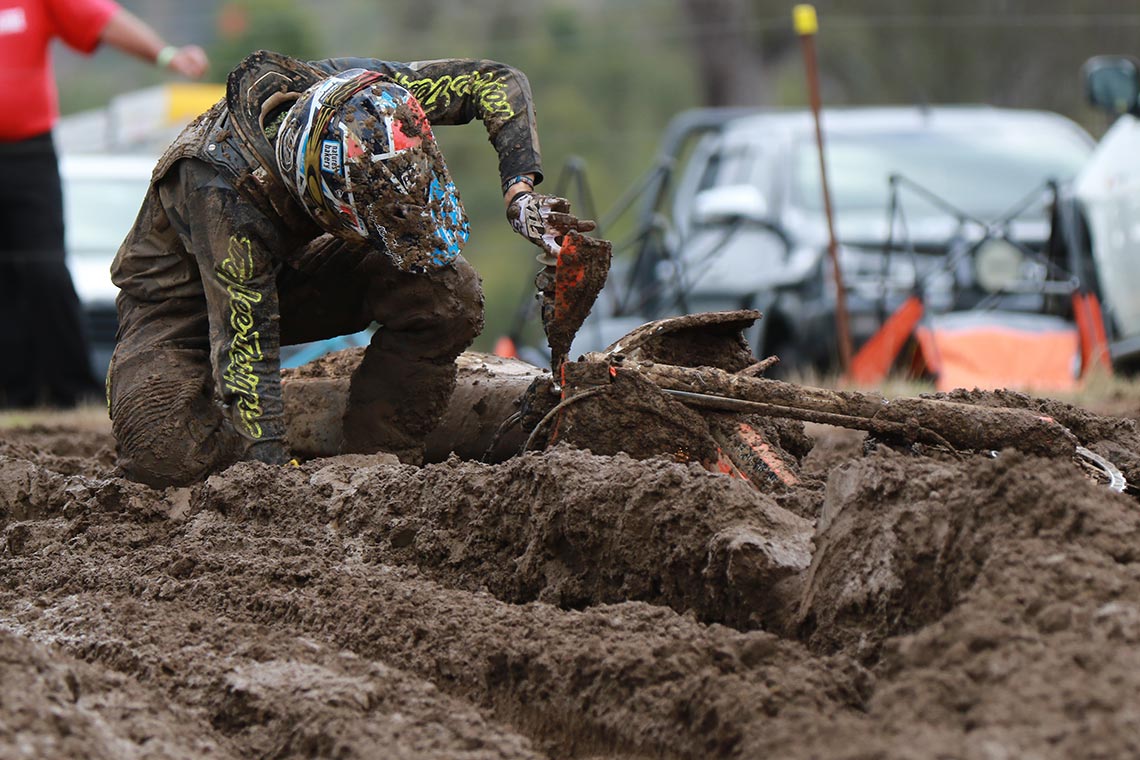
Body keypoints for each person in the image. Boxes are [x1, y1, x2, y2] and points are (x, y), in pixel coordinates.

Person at [106, 49, 593, 487]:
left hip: (297, 270)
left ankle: (380, 457)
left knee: (449, 291)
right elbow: (247, 353)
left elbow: (495, 82)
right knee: (163, 452)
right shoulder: (221, 188)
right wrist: (271, 486)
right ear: (321, 197)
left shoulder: (363, 95)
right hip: (176, 309)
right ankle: (261, 433)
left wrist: (520, 193)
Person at [0, 0, 209, 409]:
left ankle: (73, 390)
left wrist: (167, 55)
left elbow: (103, 19)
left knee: (43, 270)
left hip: (27, 155)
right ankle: (14, 395)